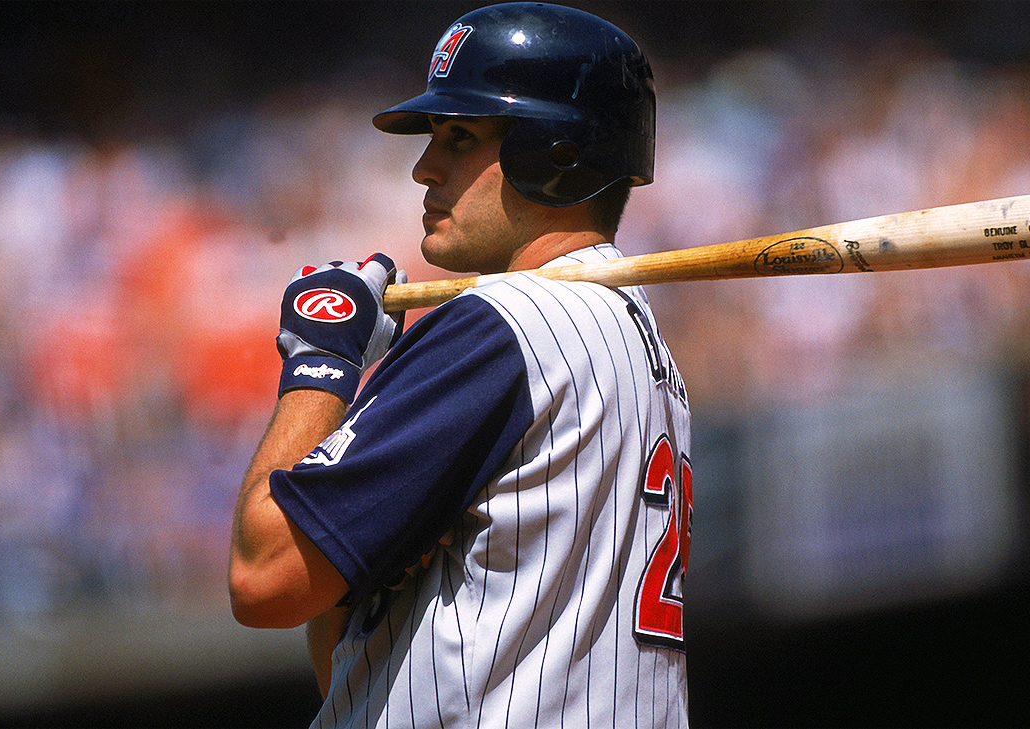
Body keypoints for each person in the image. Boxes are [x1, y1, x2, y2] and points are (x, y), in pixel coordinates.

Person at [228, 3, 692, 727]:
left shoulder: (504, 324)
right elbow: (352, 670)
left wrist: (320, 362)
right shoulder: (644, 344)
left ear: (556, 153)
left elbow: (265, 577)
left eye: (461, 136)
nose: (424, 166)